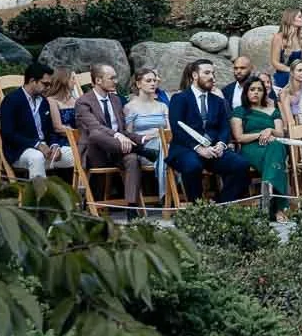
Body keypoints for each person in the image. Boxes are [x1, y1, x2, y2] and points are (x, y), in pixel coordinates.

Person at [165, 59, 253, 202]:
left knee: (241, 165)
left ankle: (220, 204)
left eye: (213, 73)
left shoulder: (217, 101)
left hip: (213, 151)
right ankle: (197, 209)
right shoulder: (180, 98)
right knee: (192, 166)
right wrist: (198, 148)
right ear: (194, 75)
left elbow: (224, 127)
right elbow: (177, 128)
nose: (212, 77)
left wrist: (221, 144)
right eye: (206, 73)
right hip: (186, 149)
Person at [74, 63, 146, 208]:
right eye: (112, 78)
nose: (116, 81)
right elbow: (95, 127)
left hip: (118, 152)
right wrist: (117, 135)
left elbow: (123, 130)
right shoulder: (83, 102)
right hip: (96, 153)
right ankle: (139, 149)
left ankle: (131, 207)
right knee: (95, 134)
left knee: (132, 159)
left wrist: (142, 138)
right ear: (98, 80)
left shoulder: (116, 100)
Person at [0, 61, 71, 184]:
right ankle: (39, 200)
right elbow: (8, 133)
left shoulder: (43, 101)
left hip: (45, 148)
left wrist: (55, 145)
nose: (48, 87)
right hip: (20, 150)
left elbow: (50, 130)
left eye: (50, 84)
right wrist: (37, 144)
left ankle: (78, 197)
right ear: (33, 81)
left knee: (73, 154)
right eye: (45, 84)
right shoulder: (11, 100)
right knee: (36, 157)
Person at [230, 77, 290, 218]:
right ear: (246, 92)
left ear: (264, 93)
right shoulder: (239, 111)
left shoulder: (272, 110)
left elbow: (280, 133)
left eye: (259, 90)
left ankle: (267, 194)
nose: (256, 93)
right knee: (276, 154)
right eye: (252, 89)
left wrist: (270, 130)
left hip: (273, 144)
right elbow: (239, 137)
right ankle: (278, 208)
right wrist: (259, 135)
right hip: (251, 148)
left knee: (275, 145)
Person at [124, 68, 172, 198]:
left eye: (155, 81)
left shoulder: (162, 106)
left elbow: (170, 132)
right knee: (168, 153)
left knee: (166, 149)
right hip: (146, 150)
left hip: (163, 146)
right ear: (139, 84)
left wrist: (162, 137)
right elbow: (128, 135)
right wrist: (150, 137)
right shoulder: (130, 107)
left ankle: (166, 196)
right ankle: (167, 195)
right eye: (149, 81)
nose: (153, 84)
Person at [270, 9, 302, 92]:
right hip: (285, 74)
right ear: (291, 19)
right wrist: (293, 71)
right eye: (300, 17)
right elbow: (275, 62)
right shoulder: (278, 38)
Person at [42, 67, 80, 145]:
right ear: (64, 80)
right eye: (72, 79)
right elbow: (58, 128)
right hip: (63, 141)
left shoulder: (75, 100)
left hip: (80, 139)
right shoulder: (51, 101)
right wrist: (79, 134)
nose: (75, 82)